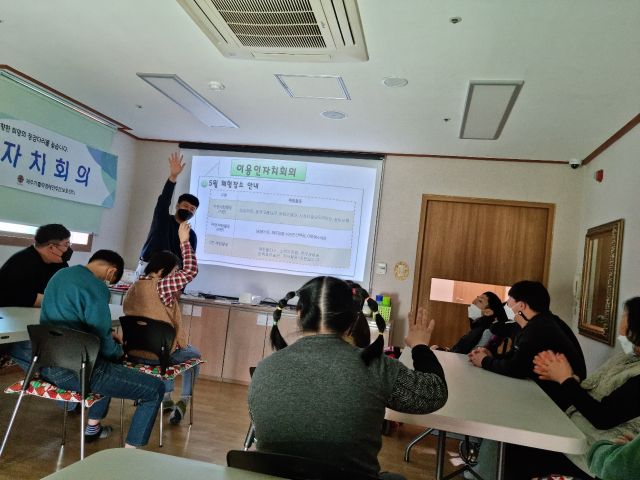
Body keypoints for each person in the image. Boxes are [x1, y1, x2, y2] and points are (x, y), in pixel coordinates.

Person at [248, 276, 448, 479]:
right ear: (353, 320)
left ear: (299, 314)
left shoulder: (264, 369)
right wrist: (420, 346)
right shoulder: (375, 366)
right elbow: (434, 394)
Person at [40, 249, 165, 448]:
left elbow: (77, 321)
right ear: (111, 271)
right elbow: (104, 343)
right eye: (110, 280)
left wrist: (107, 335)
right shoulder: (96, 286)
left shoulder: (61, 275)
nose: (107, 283)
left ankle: (93, 427)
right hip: (78, 371)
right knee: (155, 389)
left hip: (47, 365)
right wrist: (119, 351)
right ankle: (129, 454)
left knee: (109, 364)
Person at [513, 296, 640, 479]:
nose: (621, 331)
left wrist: (565, 379)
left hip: (589, 455)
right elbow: (593, 392)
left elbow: (603, 417)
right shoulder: (626, 357)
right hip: (570, 432)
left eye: (625, 317)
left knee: (519, 454)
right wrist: (566, 376)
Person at [123, 221, 200, 425]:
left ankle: (166, 398)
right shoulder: (162, 286)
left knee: (167, 345)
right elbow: (191, 272)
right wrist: (184, 242)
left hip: (133, 353)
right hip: (159, 357)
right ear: (163, 270)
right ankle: (183, 400)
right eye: (174, 271)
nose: (176, 277)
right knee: (193, 355)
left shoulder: (134, 287)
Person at [468, 280, 586, 410]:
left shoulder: (540, 328)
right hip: (546, 391)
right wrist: (492, 356)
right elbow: (517, 356)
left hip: (556, 402)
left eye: (509, 301)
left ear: (521, 305)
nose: (506, 306)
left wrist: (484, 361)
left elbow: (516, 368)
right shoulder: (538, 322)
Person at [136, 152, 199, 277]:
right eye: (186, 206)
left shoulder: (191, 235)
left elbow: (188, 263)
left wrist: (180, 284)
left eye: (192, 209)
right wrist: (173, 176)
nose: (188, 210)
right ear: (177, 206)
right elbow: (164, 200)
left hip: (171, 275)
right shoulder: (163, 219)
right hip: (148, 268)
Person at [0, 223, 72, 307]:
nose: (69, 249)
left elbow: (67, 291)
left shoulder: (60, 263)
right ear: (51, 247)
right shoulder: (21, 262)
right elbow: (17, 295)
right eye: (66, 244)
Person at [432, 292, 516, 356]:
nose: (473, 302)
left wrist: (446, 352)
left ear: (488, 312)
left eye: (480, 301)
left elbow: (468, 355)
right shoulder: (480, 326)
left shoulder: (486, 331)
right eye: (477, 298)